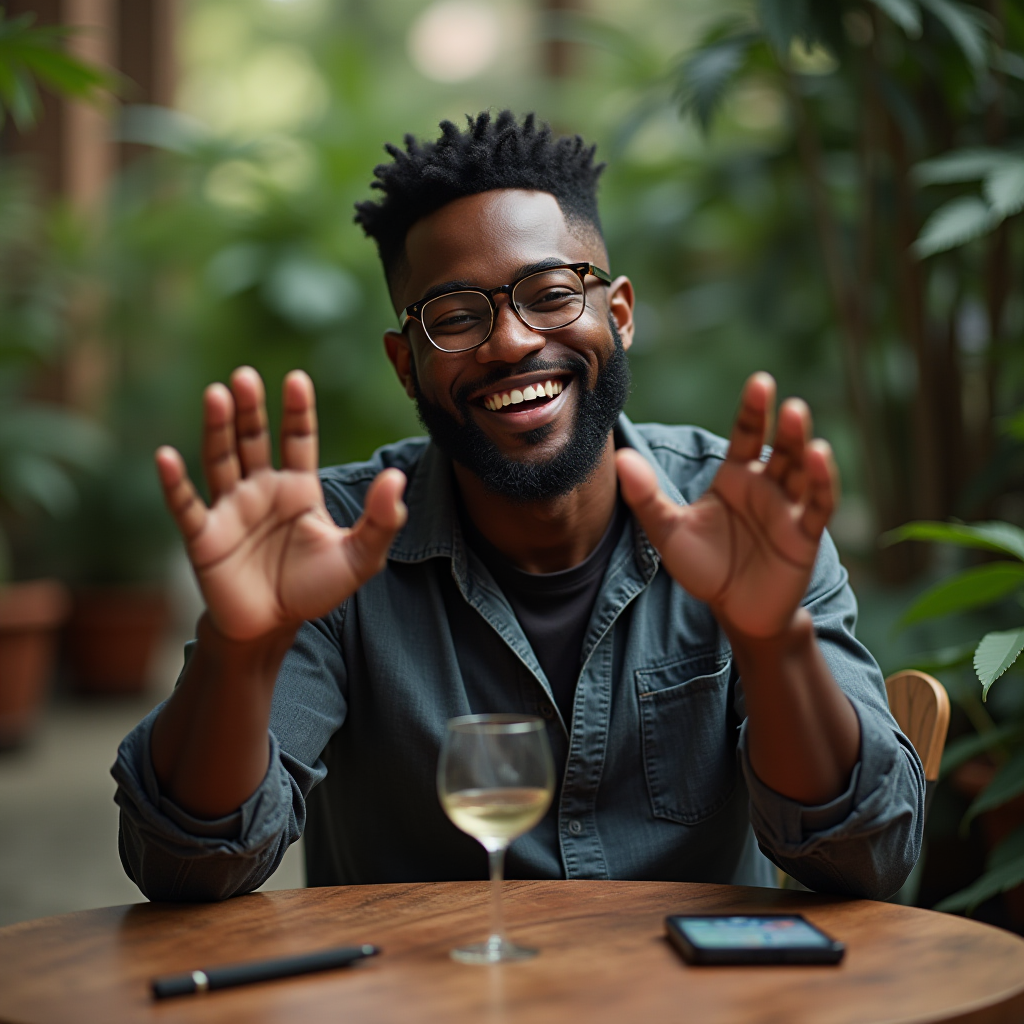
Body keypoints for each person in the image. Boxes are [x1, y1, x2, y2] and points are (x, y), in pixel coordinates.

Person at [113, 111, 923, 901]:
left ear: (621, 313)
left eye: (550, 293)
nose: (509, 343)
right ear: (406, 365)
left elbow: (865, 861)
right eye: (458, 317)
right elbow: (189, 869)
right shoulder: (327, 549)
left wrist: (771, 643)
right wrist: (239, 651)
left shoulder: (749, 520)